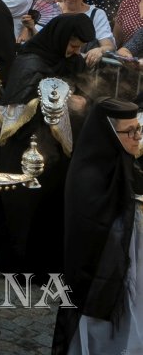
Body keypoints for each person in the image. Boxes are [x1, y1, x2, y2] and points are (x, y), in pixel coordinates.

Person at [0, 13, 96, 275]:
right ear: (61, 38)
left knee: (53, 209)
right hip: (26, 149)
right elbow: (15, 108)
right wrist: (61, 103)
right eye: (73, 45)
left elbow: (85, 92)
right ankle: (21, 265)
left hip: (60, 153)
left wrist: (83, 101)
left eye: (80, 47)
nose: (76, 51)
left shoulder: (74, 62)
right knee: (26, 208)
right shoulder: (30, 62)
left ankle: (49, 264)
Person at [51, 97, 143, 354]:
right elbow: (93, 229)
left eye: (139, 129)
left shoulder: (123, 159)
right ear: (110, 133)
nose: (137, 137)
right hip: (96, 278)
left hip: (129, 270)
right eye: (130, 131)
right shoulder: (88, 175)